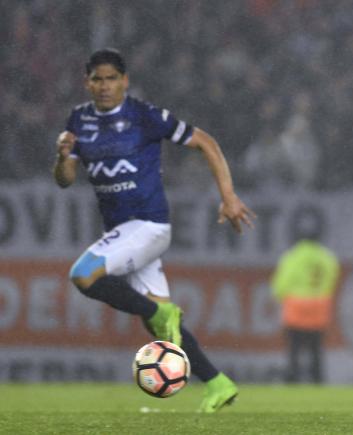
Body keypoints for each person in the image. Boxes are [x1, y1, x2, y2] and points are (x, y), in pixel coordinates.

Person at [53, 48, 255, 412]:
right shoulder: (78, 120)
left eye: (111, 78)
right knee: (158, 327)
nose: (104, 86)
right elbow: (65, 180)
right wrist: (62, 155)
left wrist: (228, 196)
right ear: (87, 83)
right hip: (125, 232)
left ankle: (160, 312)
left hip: (148, 225)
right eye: (97, 79)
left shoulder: (144, 116)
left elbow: (206, 142)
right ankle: (218, 383)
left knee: (83, 274)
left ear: (124, 81)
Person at [271, 234, 340, 384]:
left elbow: (283, 281)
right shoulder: (326, 256)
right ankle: (318, 380)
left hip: (297, 305)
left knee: (294, 348)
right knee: (316, 348)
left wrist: (279, 294)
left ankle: (293, 379)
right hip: (319, 305)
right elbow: (333, 277)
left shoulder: (293, 256)